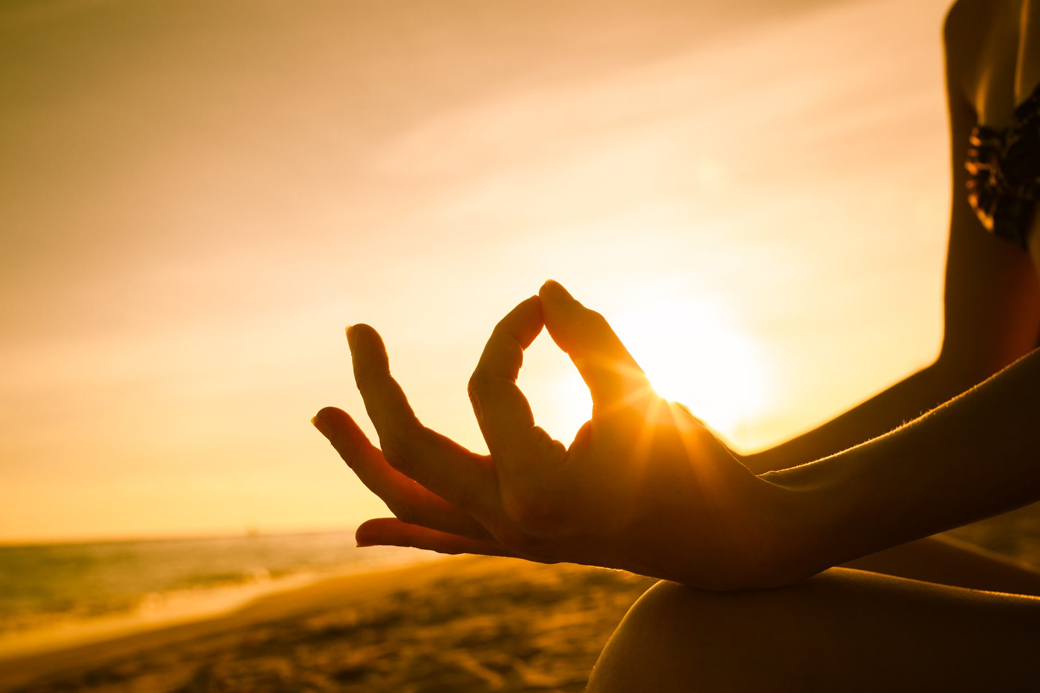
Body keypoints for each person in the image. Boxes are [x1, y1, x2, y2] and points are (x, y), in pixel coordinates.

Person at [310, 0, 1040, 688]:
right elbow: (975, 365)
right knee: (756, 587)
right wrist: (700, 489)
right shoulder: (974, 25)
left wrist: (782, 520)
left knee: (682, 657)